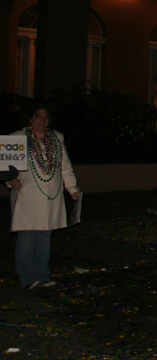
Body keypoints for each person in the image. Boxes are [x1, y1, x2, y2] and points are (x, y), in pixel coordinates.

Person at [6, 105, 80, 289]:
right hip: (27, 194)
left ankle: (42, 275)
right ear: (30, 119)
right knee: (27, 235)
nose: (42, 120)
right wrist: (10, 180)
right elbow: (4, 163)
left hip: (51, 195)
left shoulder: (56, 137)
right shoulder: (18, 137)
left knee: (44, 236)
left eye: (46, 117)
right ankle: (27, 278)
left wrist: (71, 187)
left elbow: (64, 165)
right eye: (38, 116)